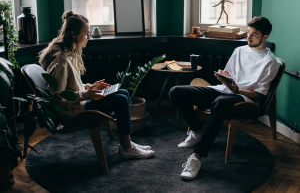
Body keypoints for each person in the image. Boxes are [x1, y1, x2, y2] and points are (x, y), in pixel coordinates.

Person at [169, 16, 280, 180]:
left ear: (265, 37)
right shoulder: (240, 50)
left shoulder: (270, 62)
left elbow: (259, 94)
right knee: (175, 92)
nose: (249, 37)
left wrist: (237, 89)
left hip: (244, 99)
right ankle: (197, 130)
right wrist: (224, 77)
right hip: (225, 90)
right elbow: (230, 74)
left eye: (254, 34)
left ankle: (197, 157)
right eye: (248, 32)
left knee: (219, 102)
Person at [39, 10, 154, 159]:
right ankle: (126, 147)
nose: (89, 37)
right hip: (71, 113)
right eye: (86, 33)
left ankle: (128, 143)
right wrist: (85, 94)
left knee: (124, 93)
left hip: (78, 105)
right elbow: (55, 99)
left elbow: (71, 86)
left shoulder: (69, 52)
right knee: (121, 100)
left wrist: (90, 87)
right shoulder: (62, 61)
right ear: (74, 34)